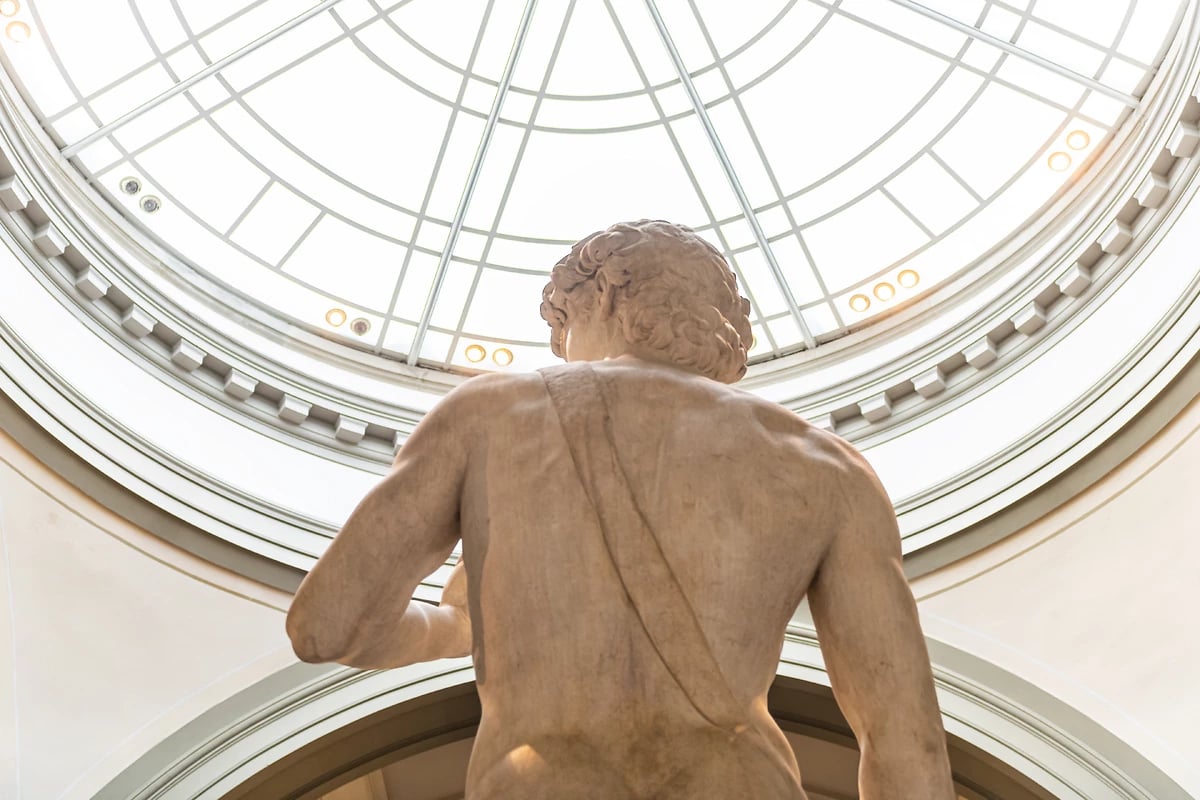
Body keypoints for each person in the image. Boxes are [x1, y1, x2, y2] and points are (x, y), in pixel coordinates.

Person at [287, 220, 955, 799]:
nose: (560, 354)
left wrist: (455, 626)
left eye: (561, 327)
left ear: (602, 293)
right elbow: (907, 744)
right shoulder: (827, 465)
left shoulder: (488, 414)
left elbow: (325, 627)